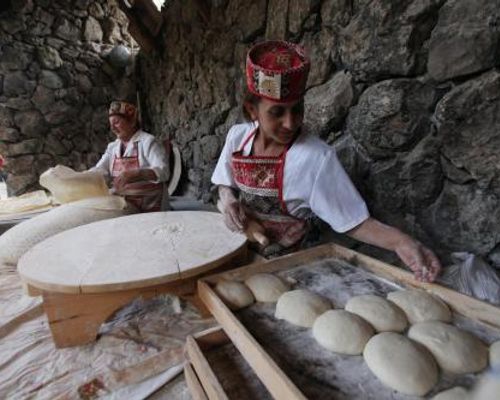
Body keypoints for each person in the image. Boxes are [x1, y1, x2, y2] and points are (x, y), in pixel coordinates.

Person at [211, 40, 441, 283]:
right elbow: (223, 183)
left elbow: (352, 220)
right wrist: (228, 201)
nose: (290, 123)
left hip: (288, 268)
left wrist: (401, 242)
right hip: (240, 251)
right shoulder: (237, 138)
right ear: (252, 110)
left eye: (297, 109)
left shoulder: (314, 158)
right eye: (277, 112)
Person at [90, 100, 170, 212]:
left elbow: (163, 171)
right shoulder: (113, 147)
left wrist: (137, 174)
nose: (112, 128)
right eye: (111, 124)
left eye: (116, 122)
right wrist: (82, 177)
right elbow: (100, 169)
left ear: (132, 122)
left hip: (151, 204)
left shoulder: (148, 141)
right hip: (126, 203)